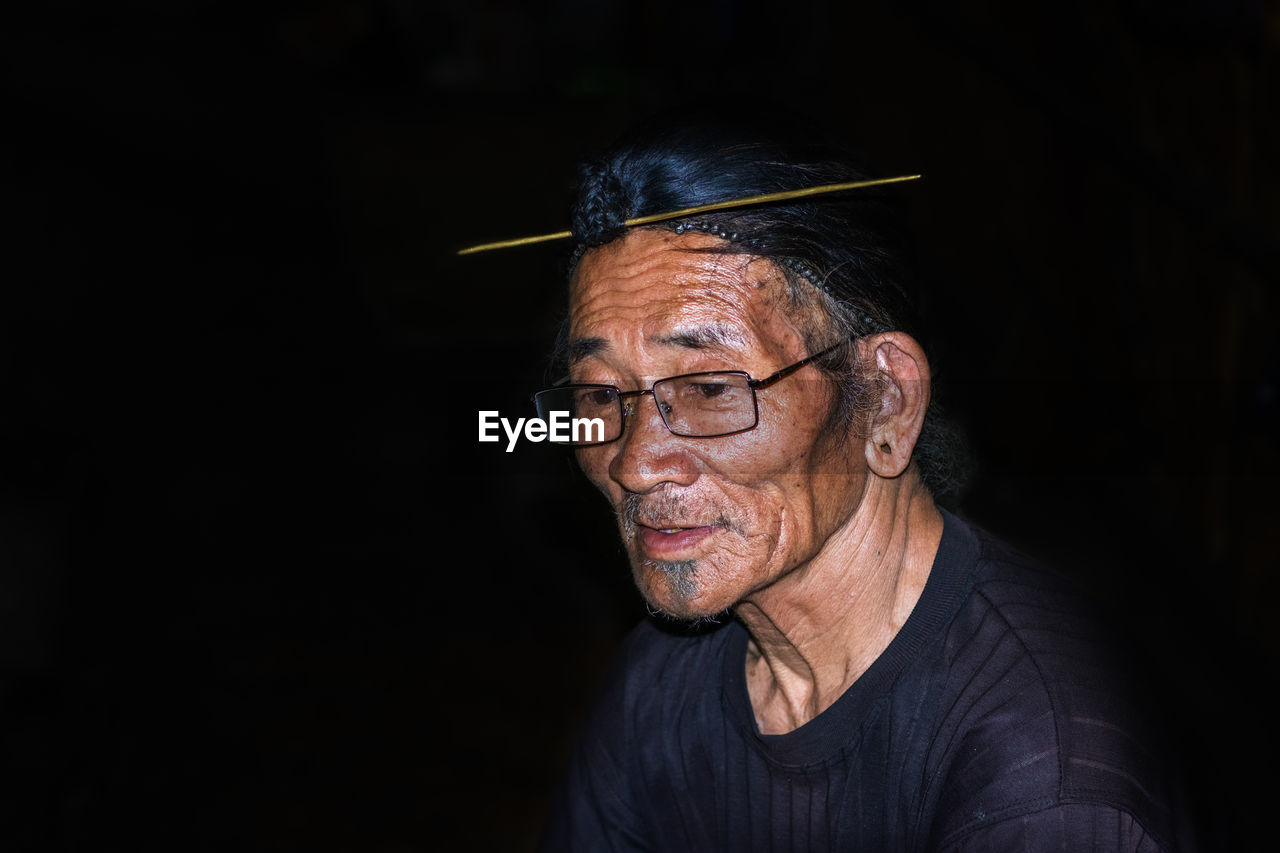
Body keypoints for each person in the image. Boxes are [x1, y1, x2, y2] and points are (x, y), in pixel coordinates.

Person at [517, 113, 1186, 851]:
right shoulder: (661, 685)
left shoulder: (1045, 778)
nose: (635, 462)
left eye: (709, 388)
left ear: (885, 399)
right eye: (601, 395)